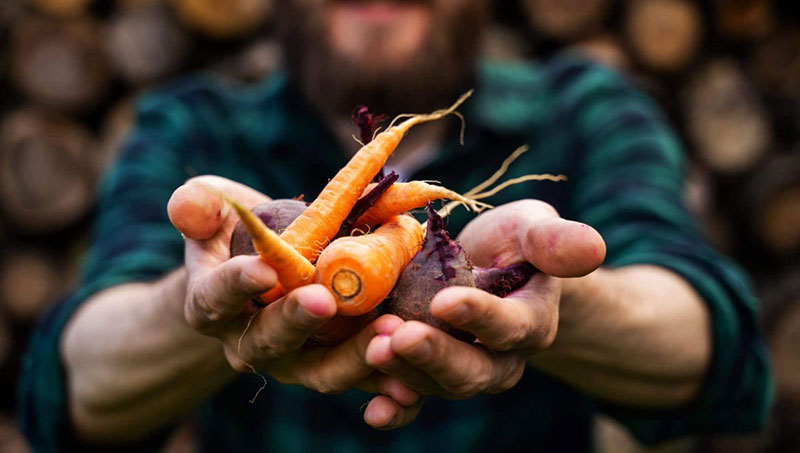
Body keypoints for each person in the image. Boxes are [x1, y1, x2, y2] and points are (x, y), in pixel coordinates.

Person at [20, 0, 771, 451]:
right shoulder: (191, 127)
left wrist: (557, 302)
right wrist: (207, 304)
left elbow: (719, 350)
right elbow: (73, 386)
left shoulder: (587, 112)